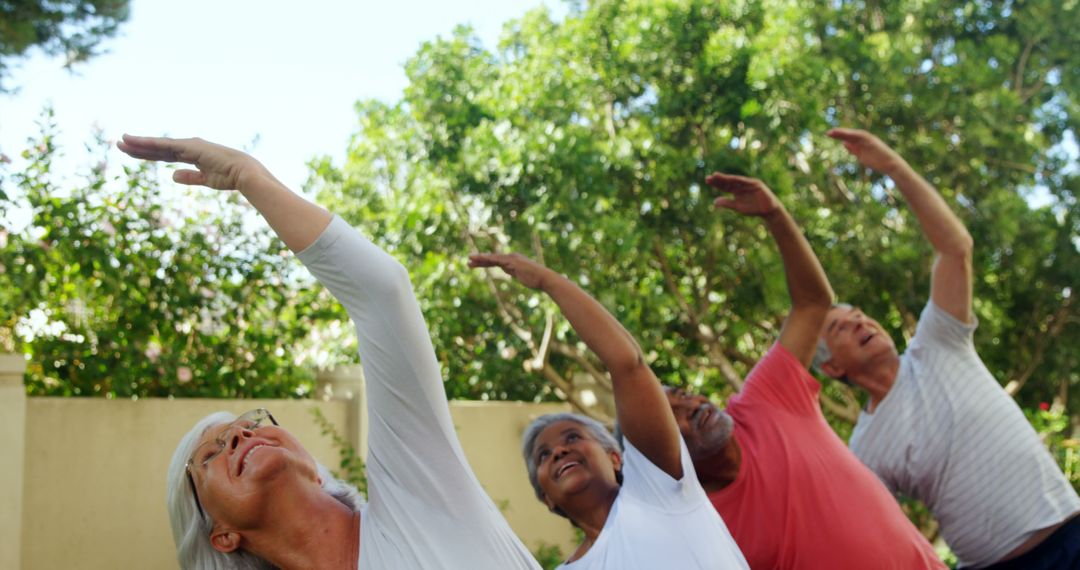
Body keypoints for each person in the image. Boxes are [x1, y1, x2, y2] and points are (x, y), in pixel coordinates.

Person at [119, 135, 542, 570]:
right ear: (221, 534)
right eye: (210, 456)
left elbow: (383, 294)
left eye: (250, 425)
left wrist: (250, 178)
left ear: (314, 469)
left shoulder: (416, 502)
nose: (241, 436)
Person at [813, 128, 1080, 569]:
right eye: (840, 327)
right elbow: (876, 534)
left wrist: (894, 167)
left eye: (858, 313)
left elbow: (956, 248)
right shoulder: (864, 448)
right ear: (834, 369)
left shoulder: (936, 343)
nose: (859, 320)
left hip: (1071, 530)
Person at [665, 173, 945, 569]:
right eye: (669, 418)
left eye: (680, 394)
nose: (690, 407)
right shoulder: (703, 532)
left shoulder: (763, 401)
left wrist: (776, 216)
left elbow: (814, 302)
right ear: (658, 458)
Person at [469, 251, 748, 569]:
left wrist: (549, 282)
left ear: (616, 457)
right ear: (545, 497)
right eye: (543, 456)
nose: (559, 451)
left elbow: (628, 364)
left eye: (572, 438)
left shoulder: (657, 490)